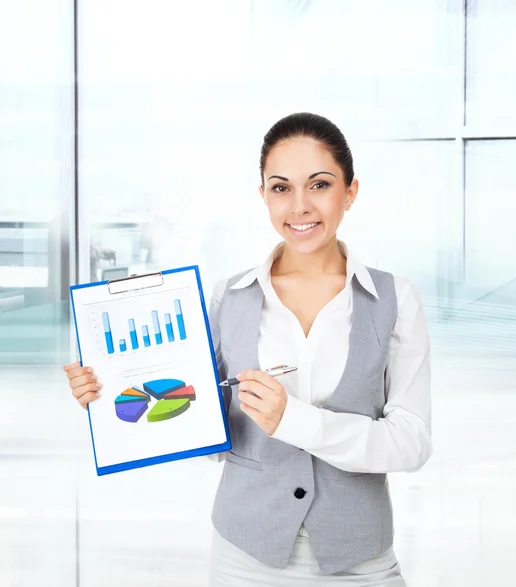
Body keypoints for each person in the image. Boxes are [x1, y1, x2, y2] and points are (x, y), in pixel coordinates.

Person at [63, 112, 432, 586]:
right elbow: (205, 437)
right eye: (281, 188)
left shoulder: (396, 299)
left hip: (360, 565)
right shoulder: (227, 298)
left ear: (350, 192)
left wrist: (294, 420)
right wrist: (112, 390)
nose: (299, 206)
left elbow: (411, 442)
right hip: (243, 563)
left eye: (319, 185)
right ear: (263, 197)